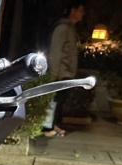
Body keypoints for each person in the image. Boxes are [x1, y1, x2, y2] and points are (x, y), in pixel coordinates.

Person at [42, 2, 85, 138]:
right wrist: (54, 74)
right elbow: (56, 52)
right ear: (73, 10)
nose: (83, 14)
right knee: (54, 100)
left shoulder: (70, 28)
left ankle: (53, 125)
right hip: (60, 73)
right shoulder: (62, 28)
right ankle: (47, 127)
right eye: (80, 10)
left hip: (66, 73)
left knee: (59, 101)